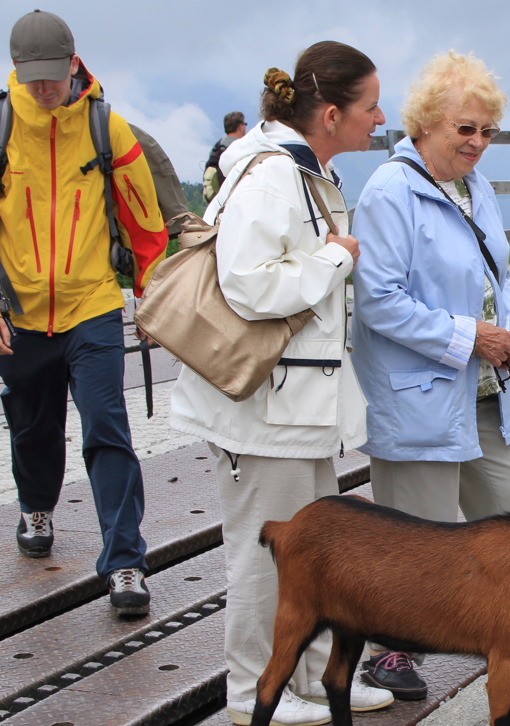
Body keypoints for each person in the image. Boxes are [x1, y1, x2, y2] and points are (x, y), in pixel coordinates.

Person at [168, 41, 393, 725]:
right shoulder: (272, 179)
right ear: (330, 114)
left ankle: (316, 681)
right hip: (265, 413)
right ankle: (254, 695)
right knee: (265, 560)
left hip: (293, 409)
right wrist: (333, 258)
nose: (381, 118)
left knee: (315, 556)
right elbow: (247, 285)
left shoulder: (302, 171)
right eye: (371, 106)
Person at [350, 50, 510, 700]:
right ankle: (389, 655)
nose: (478, 142)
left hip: (490, 393)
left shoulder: (475, 187)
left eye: (488, 130)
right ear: (427, 122)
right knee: (418, 547)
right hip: (421, 398)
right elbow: (376, 301)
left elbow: (501, 279)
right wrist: (469, 337)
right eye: (466, 128)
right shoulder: (388, 192)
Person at [0, 10, 169, 617]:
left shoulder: (108, 130)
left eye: (54, 75)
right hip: (19, 313)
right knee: (32, 428)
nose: (45, 89)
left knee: (106, 429)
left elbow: (147, 226)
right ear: (17, 71)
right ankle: (36, 506)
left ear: (75, 64)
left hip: (92, 305)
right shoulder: (1, 128)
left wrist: (150, 294)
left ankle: (125, 564)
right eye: (33, 78)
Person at [202, 111, 247, 202]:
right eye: (245, 124)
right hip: (235, 197)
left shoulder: (217, 147)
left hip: (217, 199)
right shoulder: (242, 146)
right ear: (240, 127)